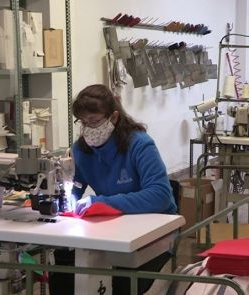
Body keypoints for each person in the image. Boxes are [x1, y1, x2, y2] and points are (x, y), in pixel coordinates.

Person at [49, 84, 177, 295]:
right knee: (64, 273)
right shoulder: (81, 151)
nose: (89, 128)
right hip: (113, 230)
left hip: (152, 233)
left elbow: (160, 195)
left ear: (114, 117)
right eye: (84, 122)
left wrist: (103, 202)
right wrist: (59, 199)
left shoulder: (140, 145)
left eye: (95, 121)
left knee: (121, 285)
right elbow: (74, 188)